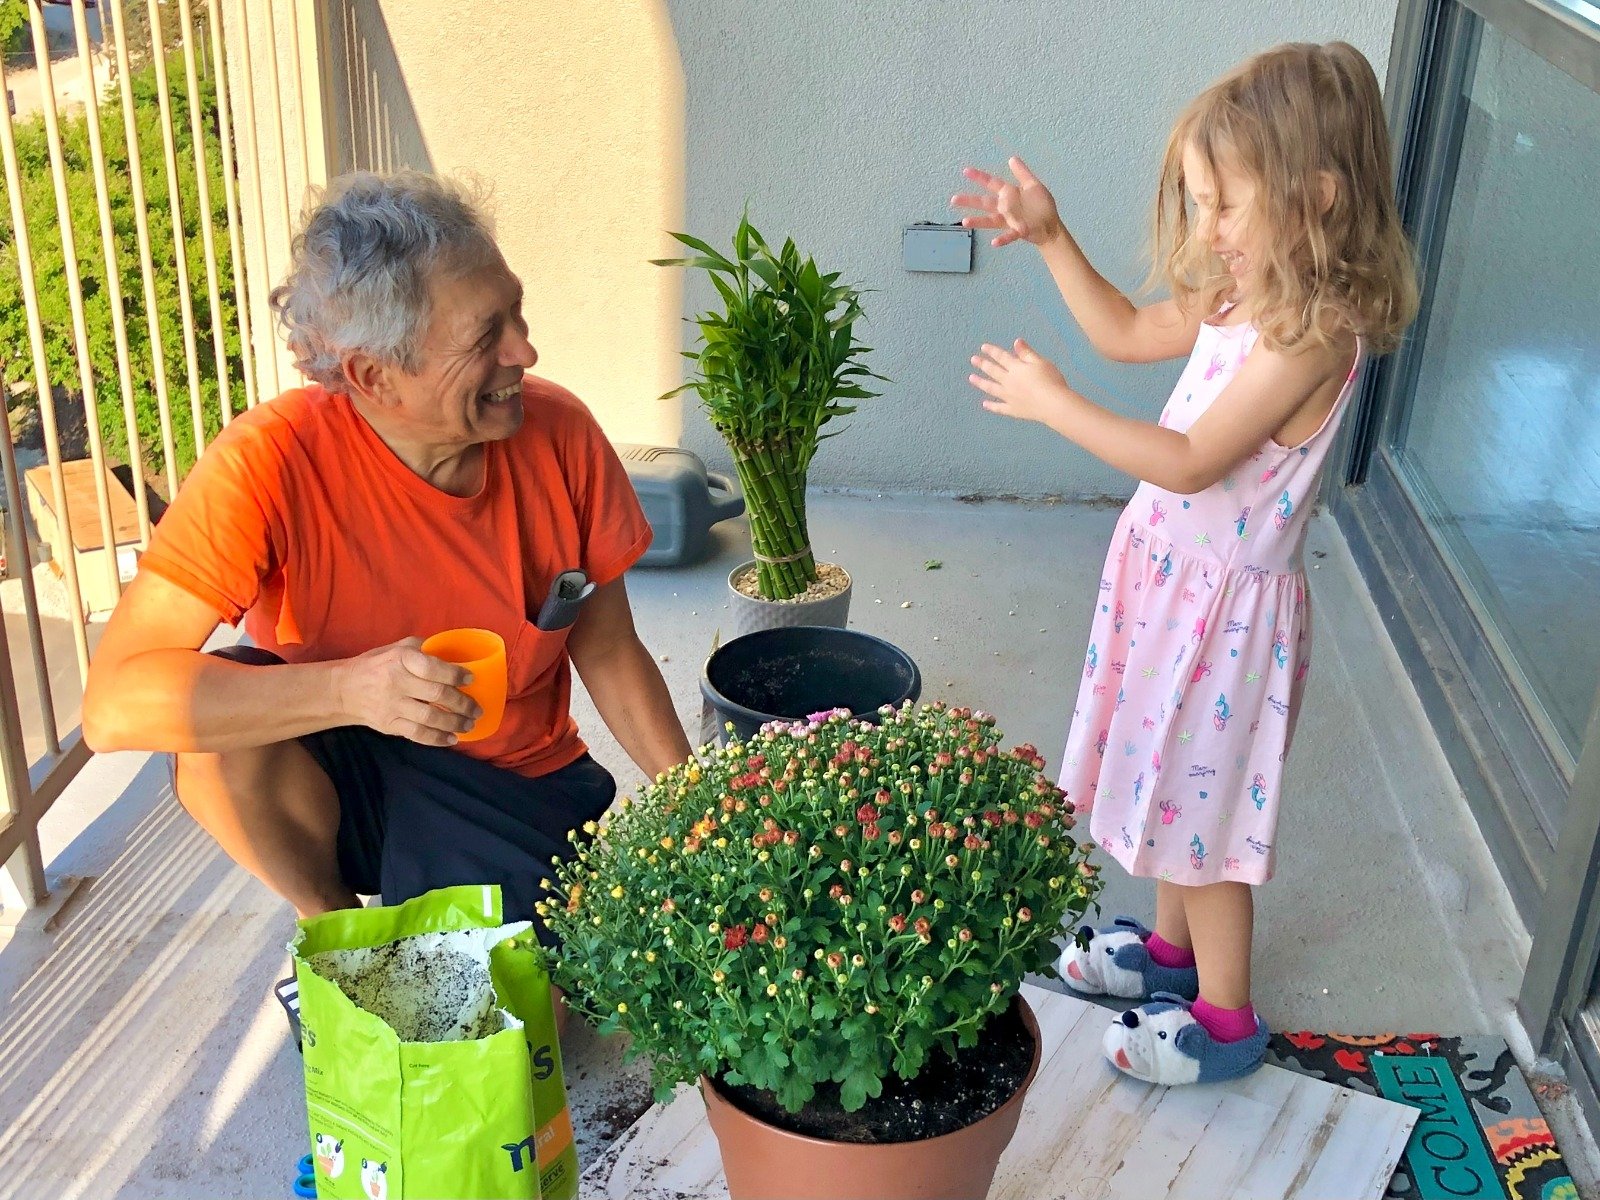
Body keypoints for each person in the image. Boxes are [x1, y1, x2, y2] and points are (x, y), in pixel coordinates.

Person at [953, 42, 1417, 1084]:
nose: (1205, 232)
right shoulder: (1239, 296)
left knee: (1202, 826)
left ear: (1316, 197)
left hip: (1224, 621)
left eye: (1223, 207)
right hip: (1169, 591)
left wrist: (1056, 407)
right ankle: (1168, 957)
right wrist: (1049, 235)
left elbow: (1191, 460)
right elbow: (1122, 329)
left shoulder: (1312, 336)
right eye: (1199, 203)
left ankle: (1223, 1020)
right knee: (1170, 786)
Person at [82, 172, 692, 959]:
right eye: (486, 337)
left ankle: (439, 950)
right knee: (216, 735)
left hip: (509, 776)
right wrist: (348, 688)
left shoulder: (562, 434)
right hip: (345, 764)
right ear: (375, 377)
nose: (525, 351)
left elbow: (606, 646)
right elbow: (113, 705)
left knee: (502, 1016)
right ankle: (340, 938)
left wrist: (697, 809)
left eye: (517, 313)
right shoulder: (268, 462)